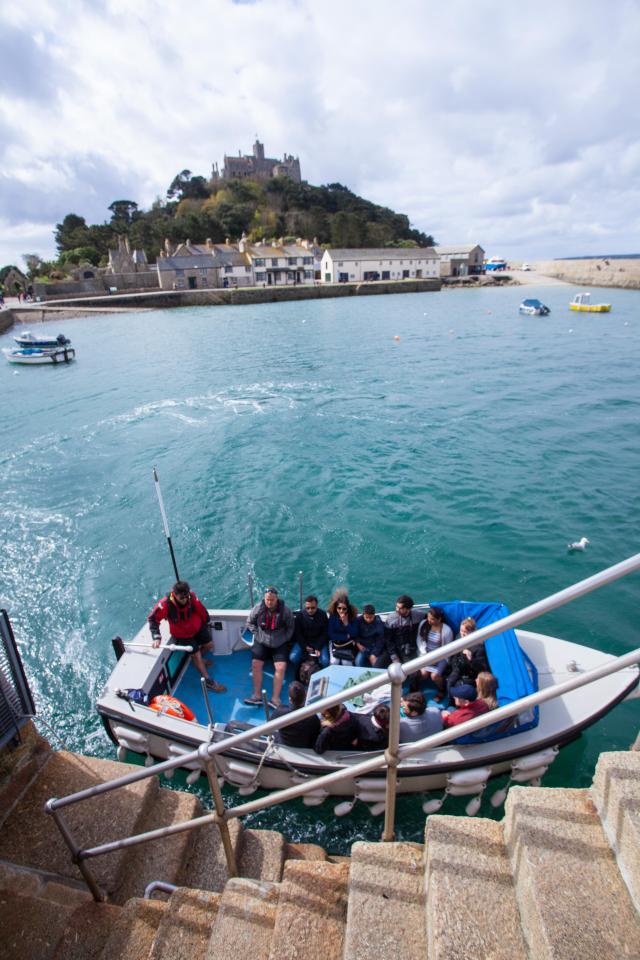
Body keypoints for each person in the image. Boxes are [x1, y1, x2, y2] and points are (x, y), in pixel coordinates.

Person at [148, 580, 226, 693]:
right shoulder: (165, 604)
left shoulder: (191, 597)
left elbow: (201, 609)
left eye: (186, 597)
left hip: (196, 625)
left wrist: (207, 620)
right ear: (174, 595)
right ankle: (208, 681)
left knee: (209, 645)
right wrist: (156, 637)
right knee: (196, 654)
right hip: (182, 633)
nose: (185, 600)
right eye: (181, 598)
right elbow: (153, 619)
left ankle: (197, 661)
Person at [244, 586, 295, 709]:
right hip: (262, 641)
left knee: (281, 667)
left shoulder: (285, 611)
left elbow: (291, 627)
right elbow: (249, 622)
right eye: (267, 599)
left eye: (272, 600)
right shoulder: (258, 608)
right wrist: (258, 635)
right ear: (264, 598)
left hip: (279, 642)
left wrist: (285, 639)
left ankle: (275, 698)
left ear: (277, 599)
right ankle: (256, 695)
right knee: (256, 664)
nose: (269, 602)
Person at [414, 606, 454, 701]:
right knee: (423, 674)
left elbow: (448, 649)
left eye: (432, 619)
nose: (429, 620)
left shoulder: (446, 630)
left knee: (434, 676)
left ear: (439, 619)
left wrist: (436, 658)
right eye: (428, 617)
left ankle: (442, 689)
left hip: (441, 657)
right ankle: (416, 687)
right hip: (426, 655)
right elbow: (419, 640)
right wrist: (425, 654)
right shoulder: (423, 624)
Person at [445, 616, 488, 701]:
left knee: (460, 687)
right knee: (449, 682)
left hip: (469, 674)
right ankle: (450, 701)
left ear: (472, 632)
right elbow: (454, 655)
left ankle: (458, 704)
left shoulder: (479, 648)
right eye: (461, 631)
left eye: (466, 632)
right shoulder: (459, 637)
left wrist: (470, 658)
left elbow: (481, 669)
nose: (463, 634)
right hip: (458, 668)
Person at [270, 681, 321, 748]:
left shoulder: (280, 712)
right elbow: (317, 731)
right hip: (304, 746)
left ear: (290, 699)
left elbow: (271, 723)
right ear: (305, 696)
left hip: (285, 743)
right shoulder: (312, 717)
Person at [378, 595, 424, 668]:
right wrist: (393, 655)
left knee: (411, 671)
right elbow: (388, 639)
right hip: (393, 648)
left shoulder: (419, 615)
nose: (397, 610)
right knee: (378, 665)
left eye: (400, 608)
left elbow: (430, 618)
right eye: (396, 607)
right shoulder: (391, 619)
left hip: (409, 650)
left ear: (409, 609)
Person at [289, 595, 330, 673]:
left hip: (318, 642)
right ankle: (301, 668)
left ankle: (321, 672)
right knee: (293, 658)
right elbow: (298, 633)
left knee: (325, 661)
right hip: (304, 641)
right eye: (308, 608)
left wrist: (318, 647)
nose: (310, 610)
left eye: (313, 608)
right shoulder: (300, 615)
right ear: (305, 606)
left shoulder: (323, 615)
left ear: (317, 606)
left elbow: (325, 633)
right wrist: (304, 646)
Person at [327, 592, 359, 664]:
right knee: (334, 661)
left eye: (344, 609)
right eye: (339, 608)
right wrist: (345, 636)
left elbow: (355, 633)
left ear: (347, 608)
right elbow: (331, 634)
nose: (341, 611)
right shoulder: (333, 617)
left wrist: (346, 623)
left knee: (346, 662)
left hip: (347, 646)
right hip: (336, 644)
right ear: (336, 607)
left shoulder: (352, 617)